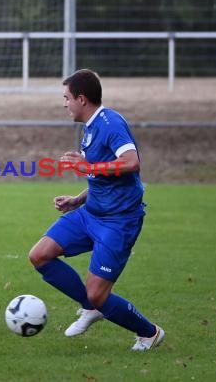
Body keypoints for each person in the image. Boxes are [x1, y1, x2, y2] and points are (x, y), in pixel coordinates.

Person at [28, 69, 164, 351]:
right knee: (40, 255)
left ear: (81, 99)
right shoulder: (90, 127)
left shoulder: (110, 123)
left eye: (66, 98)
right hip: (91, 213)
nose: (64, 103)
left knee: (99, 294)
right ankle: (90, 307)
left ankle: (149, 332)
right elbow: (104, 176)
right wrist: (78, 199)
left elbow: (131, 163)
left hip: (119, 221)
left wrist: (87, 166)